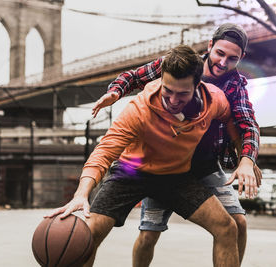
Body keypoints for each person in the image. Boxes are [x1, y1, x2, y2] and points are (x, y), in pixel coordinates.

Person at [46, 45, 245, 267]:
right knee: (89, 234)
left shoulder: (214, 100)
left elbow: (231, 121)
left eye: (182, 94)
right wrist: (81, 194)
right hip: (131, 173)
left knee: (227, 228)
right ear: (161, 80)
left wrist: (244, 158)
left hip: (176, 177)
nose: (172, 100)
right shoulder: (140, 109)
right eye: (167, 90)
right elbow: (104, 152)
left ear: (198, 86)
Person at [92, 23, 260, 266]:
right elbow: (131, 77)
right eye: (220, 54)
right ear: (210, 46)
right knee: (149, 234)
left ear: (241, 58)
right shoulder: (179, 65)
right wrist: (116, 92)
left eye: (232, 58)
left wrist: (247, 160)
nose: (223, 63)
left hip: (203, 164)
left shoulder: (235, 86)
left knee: (236, 224)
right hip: (163, 161)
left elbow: (246, 124)